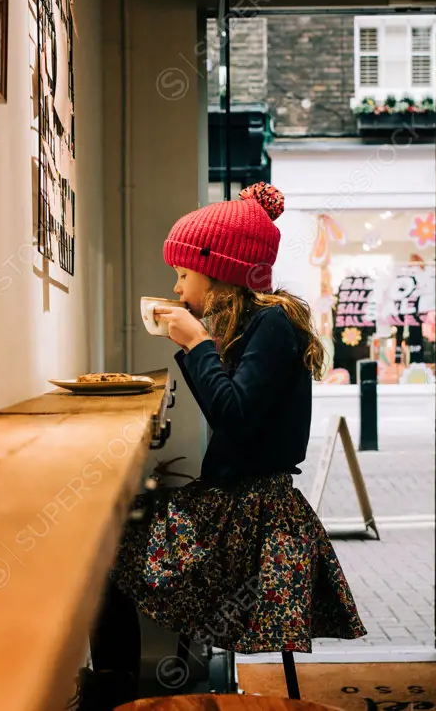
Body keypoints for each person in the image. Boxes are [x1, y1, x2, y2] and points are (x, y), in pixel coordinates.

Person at [75, 183, 367, 710]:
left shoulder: (273, 327)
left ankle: (110, 696)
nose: (177, 284)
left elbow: (233, 417)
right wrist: (196, 346)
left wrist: (195, 343)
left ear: (221, 273)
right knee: (114, 536)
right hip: (233, 506)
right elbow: (230, 409)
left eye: (184, 273)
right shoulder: (254, 326)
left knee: (104, 550)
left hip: (248, 518)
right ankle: (121, 689)